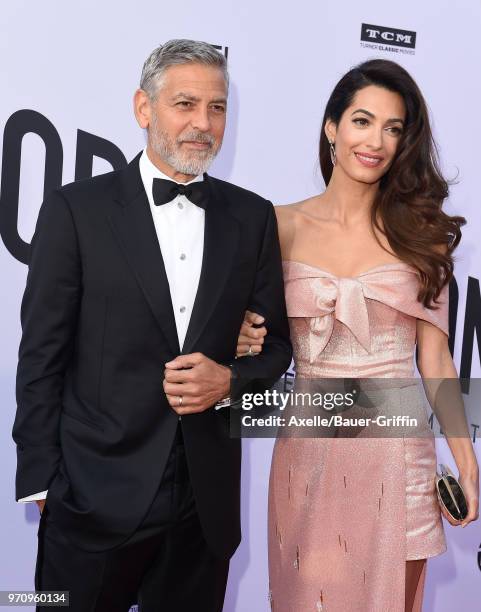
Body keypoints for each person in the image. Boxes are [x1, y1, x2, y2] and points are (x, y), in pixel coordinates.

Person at [12, 39, 292, 612]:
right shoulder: (76, 211)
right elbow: (41, 354)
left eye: (216, 108)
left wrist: (229, 381)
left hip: (201, 509)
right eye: (185, 104)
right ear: (144, 108)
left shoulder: (252, 217)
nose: (203, 124)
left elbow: (276, 348)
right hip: (92, 500)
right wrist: (45, 483)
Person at [237, 59, 479, 611]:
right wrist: (242, 337)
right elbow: (254, 336)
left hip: (398, 455)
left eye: (393, 128)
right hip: (309, 451)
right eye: (363, 121)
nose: (376, 141)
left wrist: (465, 459)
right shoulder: (277, 225)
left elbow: (436, 359)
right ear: (332, 127)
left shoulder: (422, 234)